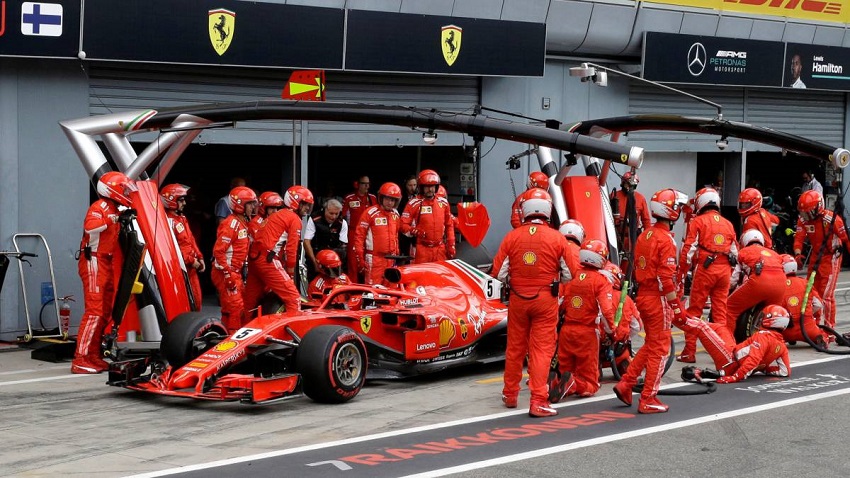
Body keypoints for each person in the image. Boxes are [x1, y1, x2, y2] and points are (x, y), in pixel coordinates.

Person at [491, 188, 574, 417]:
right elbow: (570, 273)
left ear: (525, 210)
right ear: (548, 210)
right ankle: (538, 400)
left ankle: (510, 394)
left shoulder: (512, 236)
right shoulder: (557, 238)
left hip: (518, 299)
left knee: (515, 347)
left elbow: (497, 273)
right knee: (541, 350)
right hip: (546, 300)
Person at [613, 188, 688, 414]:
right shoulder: (665, 239)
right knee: (660, 349)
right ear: (672, 211)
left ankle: (626, 383)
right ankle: (648, 397)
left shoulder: (645, 235)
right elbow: (666, 278)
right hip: (657, 298)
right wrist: (676, 306)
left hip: (643, 295)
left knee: (651, 345)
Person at [72, 172, 136, 374]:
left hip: (105, 262)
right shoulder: (99, 207)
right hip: (93, 260)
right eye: (123, 189)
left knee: (104, 312)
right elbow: (90, 227)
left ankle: (93, 356)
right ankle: (80, 359)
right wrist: (114, 218)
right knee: (94, 312)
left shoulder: (114, 208)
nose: (126, 193)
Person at [551, 239, 621, 402]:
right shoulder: (601, 281)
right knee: (591, 384)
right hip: (587, 333)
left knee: (567, 369)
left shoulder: (573, 278)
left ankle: (557, 383)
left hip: (566, 332)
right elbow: (606, 311)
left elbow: (559, 304)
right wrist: (612, 332)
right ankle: (573, 384)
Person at [676, 187, 737, 363]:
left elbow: (688, 250)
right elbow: (735, 253)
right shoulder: (728, 223)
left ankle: (689, 352)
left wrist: (681, 273)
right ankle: (725, 353)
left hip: (705, 270)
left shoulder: (698, 221)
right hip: (724, 271)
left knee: (694, 312)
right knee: (720, 314)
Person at [678, 305, 791, 384]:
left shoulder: (763, 336)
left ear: (770, 321)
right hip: (733, 355)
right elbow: (785, 371)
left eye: (763, 317)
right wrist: (763, 369)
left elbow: (753, 360)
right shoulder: (782, 346)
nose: (760, 320)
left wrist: (735, 377)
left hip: (729, 360)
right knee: (721, 328)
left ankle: (674, 316)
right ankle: (687, 316)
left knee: (701, 328)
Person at [244, 186, 313, 315]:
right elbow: (292, 249)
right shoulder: (294, 219)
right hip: (267, 259)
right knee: (293, 297)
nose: (307, 208)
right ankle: (294, 330)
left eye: (308, 205)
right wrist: (290, 275)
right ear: (295, 202)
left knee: (250, 302)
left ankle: (238, 330)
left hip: (255, 259)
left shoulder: (278, 215)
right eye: (304, 204)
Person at [793, 190, 850, 331]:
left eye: (808, 212)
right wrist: (798, 254)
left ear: (817, 208)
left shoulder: (832, 219)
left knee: (826, 295)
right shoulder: (804, 219)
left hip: (831, 257)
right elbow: (799, 238)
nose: (805, 215)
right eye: (803, 212)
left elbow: (846, 240)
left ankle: (829, 329)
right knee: (811, 292)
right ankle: (815, 324)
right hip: (816, 257)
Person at [725, 230, 787, 337]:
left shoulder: (743, 252)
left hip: (760, 282)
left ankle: (727, 342)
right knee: (771, 317)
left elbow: (733, 279)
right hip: (781, 284)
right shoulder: (775, 254)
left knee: (729, 308)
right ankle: (772, 344)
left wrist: (726, 289)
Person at [211, 186, 256, 332]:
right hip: (225, 273)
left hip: (234, 272)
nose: (253, 207)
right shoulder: (231, 224)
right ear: (240, 205)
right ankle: (233, 342)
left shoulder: (243, 223)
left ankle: (223, 336)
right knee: (236, 308)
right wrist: (227, 273)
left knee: (231, 308)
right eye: (249, 204)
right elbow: (218, 251)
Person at [161, 183, 205, 311]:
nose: (184, 203)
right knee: (186, 304)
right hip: (180, 269)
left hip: (190, 267)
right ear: (171, 200)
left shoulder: (181, 218)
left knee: (197, 301)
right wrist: (191, 260)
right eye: (181, 200)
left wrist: (200, 257)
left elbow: (190, 240)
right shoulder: (167, 221)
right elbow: (172, 248)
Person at [400, 169, 456, 263]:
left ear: (436, 187)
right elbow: (402, 225)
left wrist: (451, 244)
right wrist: (414, 231)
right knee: (421, 276)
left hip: (440, 249)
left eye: (432, 186)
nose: (430, 189)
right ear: (421, 187)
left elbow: (449, 225)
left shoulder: (443, 203)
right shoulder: (413, 203)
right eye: (427, 186)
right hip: (421, 249)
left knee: (440, 276)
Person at [353, 182, 402, 285]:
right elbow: (359, 237)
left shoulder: (396, 214)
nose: (390, 202)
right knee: (373, 291)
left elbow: (396, 236)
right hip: (374, 260)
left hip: (391, 259)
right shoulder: (370, 213)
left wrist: (397, 254)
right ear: (381, 198)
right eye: (388, 199)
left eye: (393, 200)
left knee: (391, 290)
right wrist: (360, 259)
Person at [778, 254, 829, 347]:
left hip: (786, 329)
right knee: (819, 334)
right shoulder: (805, 282)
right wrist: (809, 312)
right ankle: (820, 337)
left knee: (772, 335)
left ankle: (779, 340)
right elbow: (818, 304)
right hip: (807, 327)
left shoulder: (777, 286)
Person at [610, 171, 650, 273]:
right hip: (616, 236)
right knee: (614, 261)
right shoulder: (614, 196)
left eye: (632, 185)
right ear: (623, 183)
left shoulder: (640, 198)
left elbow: (646, 220)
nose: (629, 187)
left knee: (631, 263)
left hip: (632, 237)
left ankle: (629, 282)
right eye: (627, 184)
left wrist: (648, 238)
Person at [342, 175, 378, 280]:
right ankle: (353, 290)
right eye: (364, 183)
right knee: (353, 262)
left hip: (369, 233)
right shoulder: (349, 198)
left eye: (368, 184)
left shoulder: (373, 198)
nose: (367, 186)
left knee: (369, 260)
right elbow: (342, 217)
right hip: (353, 232)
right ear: (357, 185)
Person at [303, 198, 348, 280]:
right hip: (316, 255)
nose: (333, 217)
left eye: (336, 214)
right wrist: (314, 262)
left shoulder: (342, 222)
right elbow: (306, 241)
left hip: (334, 257)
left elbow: (343, 246)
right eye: (331, 213)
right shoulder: (314, 219)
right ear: (325, 210)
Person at [398, 175, 418, 256]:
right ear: (405, 185)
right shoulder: (401, 197)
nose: (412, 188)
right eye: (410, 185)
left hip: (415, 229)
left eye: (414, 185)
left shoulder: (419, 197)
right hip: (403, 229)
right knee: (403, 254)